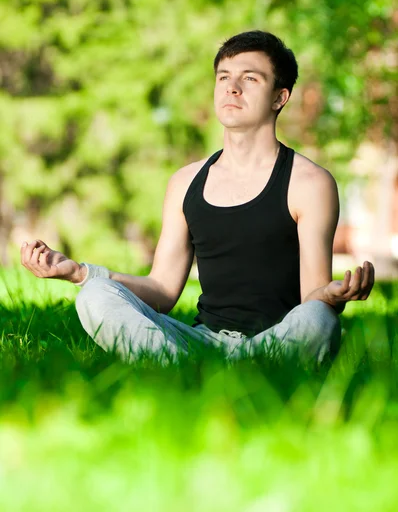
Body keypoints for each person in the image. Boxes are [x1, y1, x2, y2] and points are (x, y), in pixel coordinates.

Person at [21, 30, 375, 366]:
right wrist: (80, 273)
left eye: (250, 78)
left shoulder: (310, 182)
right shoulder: (185, 182)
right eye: (223, 77)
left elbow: (311, 296)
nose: (232, 88)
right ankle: (182, 367)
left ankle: (220, 370)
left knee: (320, 319)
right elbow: (161, 290)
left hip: (276, 340)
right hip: (200, 342)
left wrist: (331, 296)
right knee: (94, 295)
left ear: (279, 97)